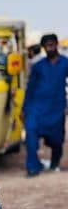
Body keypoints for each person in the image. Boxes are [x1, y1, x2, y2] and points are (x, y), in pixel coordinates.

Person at [23, 33, 68, 176]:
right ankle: (32, 167)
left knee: (56, 140)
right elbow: (30, 88)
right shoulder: (38, 66)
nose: (49, 48)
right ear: (43, 48)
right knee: (31, 133)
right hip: (36, 107)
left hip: (57, 108)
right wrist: (25, 108)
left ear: (56, 45)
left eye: (52, 45)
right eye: (46, 46)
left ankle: (54, 163)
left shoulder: (65, 63)